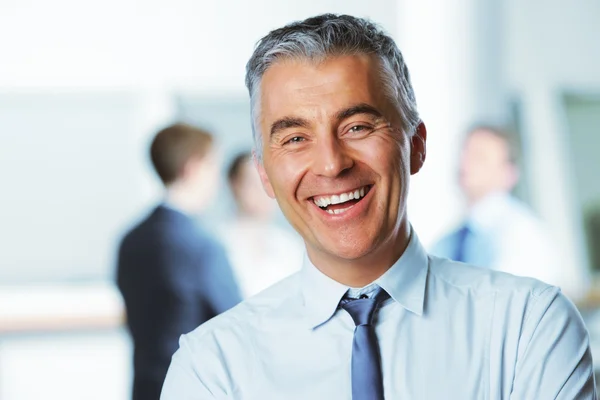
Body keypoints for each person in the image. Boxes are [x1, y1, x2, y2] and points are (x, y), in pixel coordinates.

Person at [161, 14, 595, 399]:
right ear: (264, 174)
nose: (331, 164)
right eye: (295, 138)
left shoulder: (528, 327)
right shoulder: (212, 367)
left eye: (358, 126)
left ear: (417, 147)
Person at [116, 123, 242, 400]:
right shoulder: (201, 246)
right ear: (193, 168)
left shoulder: (130, 240)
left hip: (145, 387)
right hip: (194, 387)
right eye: (212, 167)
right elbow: (236, 324)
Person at [430, 125, 565, 291]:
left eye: (479, 157)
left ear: (509, 174)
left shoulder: (523, 237)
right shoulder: (449, 241)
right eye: (464, 152)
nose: (465, 163)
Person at [216, 151, 303, 298]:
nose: (262, 192)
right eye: (252, 184)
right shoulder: (218, 243)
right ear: (234, 185)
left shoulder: (290, 246)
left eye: (269, 183)